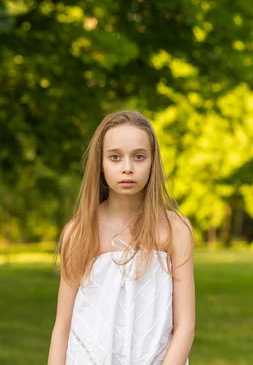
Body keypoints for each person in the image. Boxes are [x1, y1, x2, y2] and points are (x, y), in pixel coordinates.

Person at [48, 110, 195, 364]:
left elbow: (185, 326)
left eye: (139, 157)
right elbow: (62, 325)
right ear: (101, 163)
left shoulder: (175, 229)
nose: (127, 168)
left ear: (152, 162)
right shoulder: (80, 231)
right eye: (115, 157)